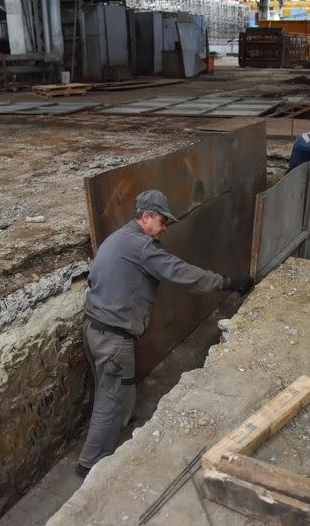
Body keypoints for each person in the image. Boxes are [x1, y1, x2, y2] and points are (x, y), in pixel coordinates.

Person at [76, 189, 253, 477]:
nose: (165, 228)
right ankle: (91, 465)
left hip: (93, 328)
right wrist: (227, 282)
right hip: (112, 338)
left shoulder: (117, 238)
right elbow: (183, 274)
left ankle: (110, 444)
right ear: (146, 216)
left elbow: (95, 278)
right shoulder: (143, 247)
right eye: (162, 221)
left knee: (113, 393)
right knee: (112, 400)